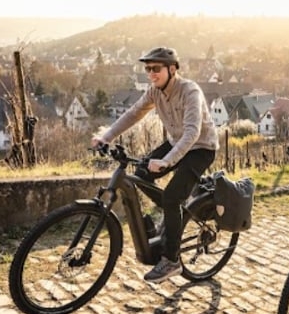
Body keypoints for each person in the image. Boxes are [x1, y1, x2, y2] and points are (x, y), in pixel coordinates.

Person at [91, 47, 219, 283]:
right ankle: (174, 215)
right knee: (141, 175)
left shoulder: (190, 91)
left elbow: (192, 132)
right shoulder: (154, 92)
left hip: (201, 148)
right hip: (175, 142)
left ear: (172, 69)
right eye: (148, 69)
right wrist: (106, 136)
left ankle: (172, 261)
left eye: (156, 68)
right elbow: (133, 113)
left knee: (171, 197)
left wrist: (166, 161)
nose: (151, 73)